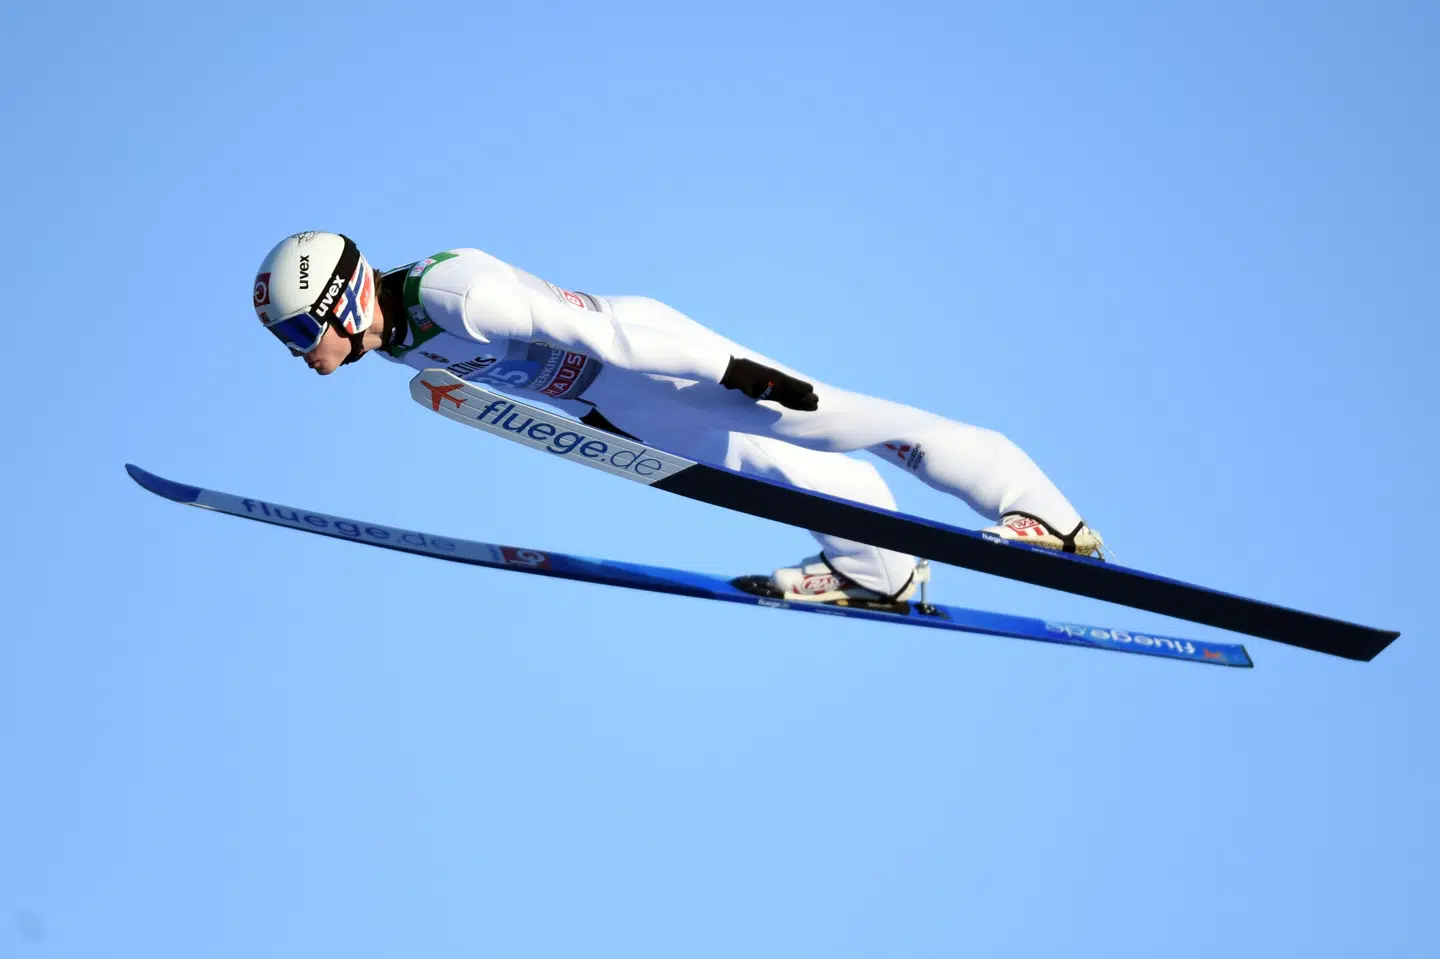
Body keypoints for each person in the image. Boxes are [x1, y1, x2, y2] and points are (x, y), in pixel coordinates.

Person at [252, 232, 1104, 606]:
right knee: (774, 478)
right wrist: (605, 427)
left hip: (663, 361)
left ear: (341, 299)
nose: (299, 351)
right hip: (629, 405)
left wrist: (732, 368)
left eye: (298, 331)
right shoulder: (400, 347)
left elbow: (605, 331)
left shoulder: (452, 291)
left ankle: (1047, 517)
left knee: (852, 422)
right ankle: (881, 570)